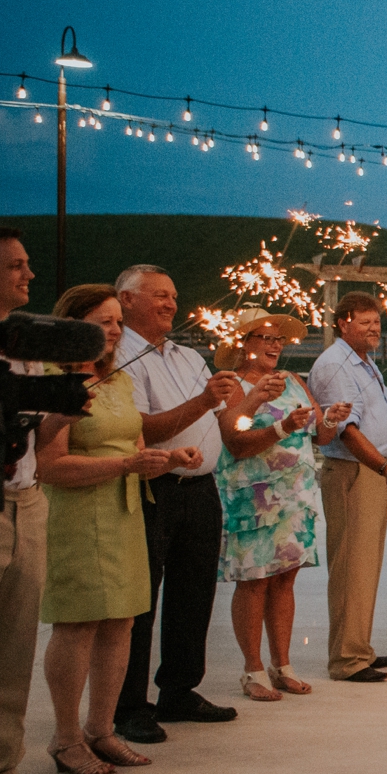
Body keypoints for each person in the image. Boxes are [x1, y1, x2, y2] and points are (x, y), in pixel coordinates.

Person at [36, 286, 198, 774]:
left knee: (122, 622)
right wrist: (128, 462)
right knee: (80, 623)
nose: (113, 330)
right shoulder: (51, 380)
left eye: (116, 323)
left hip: (127, 509)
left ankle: (101, 729)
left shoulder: (117, 380)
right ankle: (65, 739)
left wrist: (167, 459)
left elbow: (133, 444)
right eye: (102, 321)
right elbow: (50, 466)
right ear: (72, 326)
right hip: (80, 515)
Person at [112, 265, 246, 741]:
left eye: (173, 296)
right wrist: (204, 401)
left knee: (193, 595)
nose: (171, 304)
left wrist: (253, 403)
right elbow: (143, 428)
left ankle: (179, 689)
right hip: (156, 488)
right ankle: (128, 705)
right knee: (141, 600)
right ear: (126, 300)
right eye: (158, 296)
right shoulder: (120, 356)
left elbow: (224, 418)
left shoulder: (189, 356)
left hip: (201, 488)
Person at [211, 311, 348, 700]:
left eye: (279, 340)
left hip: (295, 497)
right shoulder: (233, 386)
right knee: (255, 582)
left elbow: (318, 436)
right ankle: (253, 670)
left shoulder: (293, 381)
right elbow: (236, 443)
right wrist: (282, 426)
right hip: (253, 497)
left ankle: (282, 665)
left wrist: (332, 421)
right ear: (243, 342)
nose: (275, 345)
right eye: (265, 337)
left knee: (285, 579)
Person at [0, 228, 68, 774]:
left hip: (26, 500)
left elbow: (40, 436)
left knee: (14, 648)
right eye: (15, 265)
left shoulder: (28, 348)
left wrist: (65, 400)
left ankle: (1, 772)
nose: (28, 275)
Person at [308, 293, 387, 682]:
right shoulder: (334, 366)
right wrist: (385, 467)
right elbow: (346, 432)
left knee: (365, 565)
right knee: (351, 565)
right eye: (365, 322)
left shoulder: (364, 363)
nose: (374, 329)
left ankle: (359, 647)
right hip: (354, 472)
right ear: (343, 323)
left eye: (378, 322)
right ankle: (346, 659)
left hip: (370, 473)